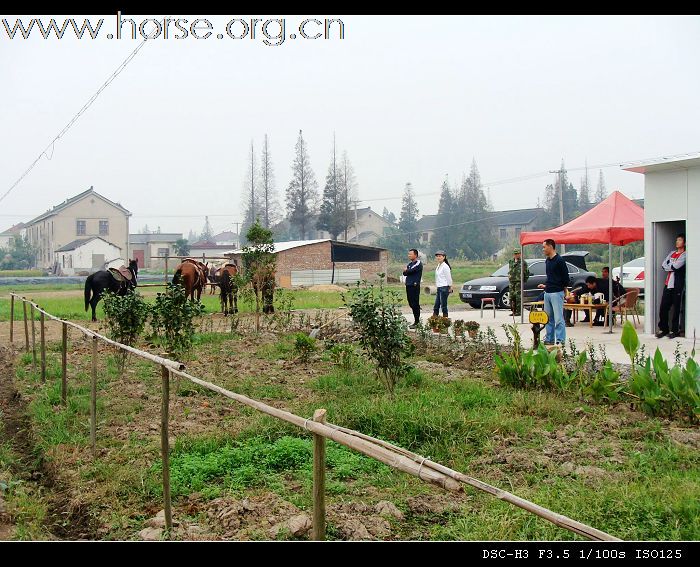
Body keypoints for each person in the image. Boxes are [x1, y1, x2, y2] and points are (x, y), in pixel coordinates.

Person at [537, 239, 570, 345]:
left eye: (544, 247)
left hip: (557, 292)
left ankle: (560, 339)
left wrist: (564, 289)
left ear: (550, 246)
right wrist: (546, 286)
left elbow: (565, 277)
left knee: (558, 317)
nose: (543, 249)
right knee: (548, 317)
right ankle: (549, 338)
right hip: (548, 292)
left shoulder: (559, 260)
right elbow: (551, 277)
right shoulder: (548, 261)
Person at [656, 233, 686, 339]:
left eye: (680, 240)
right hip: (667, 284)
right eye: (676, 240)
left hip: (677, 285)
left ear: (684, 243)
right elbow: (664, 265)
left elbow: (677, 266)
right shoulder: (672, 253)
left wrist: (670, 266)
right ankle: (664, 329)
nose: (677, 242)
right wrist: (670, 266)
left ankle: (675, 330)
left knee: (676, 308)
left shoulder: (685, 255)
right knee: (663, 308)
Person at [403, 248, 423, 328]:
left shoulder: (418, 263)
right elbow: (404, 273)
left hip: (414, 286)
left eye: (410, 254)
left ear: (415, 255)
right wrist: (407, 270)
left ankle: (417, 322)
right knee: (411, 303)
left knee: (415, 304)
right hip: (408, 285)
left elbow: (411, 271)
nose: (409, 255)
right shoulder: (410, 264)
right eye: (408, 254)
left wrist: (407, 270)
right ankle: (416, 319)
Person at [508, 249, 531, 316]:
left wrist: (524, 280)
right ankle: (513, 311)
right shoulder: (511, 261)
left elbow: (526, 272)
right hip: (512, 281)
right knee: (512, 297)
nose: (516, 255)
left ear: (520, 254)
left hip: (519, 281)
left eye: (518, 253)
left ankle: (519, 311)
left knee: (518, 297)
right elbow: (510, 270)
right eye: (515, 254)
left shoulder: (523, 262)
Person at [432, 250, 453, 318]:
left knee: (443, 305)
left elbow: (448, 277)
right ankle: (434, 319)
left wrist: (450, 286)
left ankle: (445, 319)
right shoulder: (438, 265)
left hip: (444, 287)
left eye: (440, 256)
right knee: (436, 305)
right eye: (437, 256)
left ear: (444, 257)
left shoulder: (445, 266)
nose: (438, 257)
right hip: (439, 287)